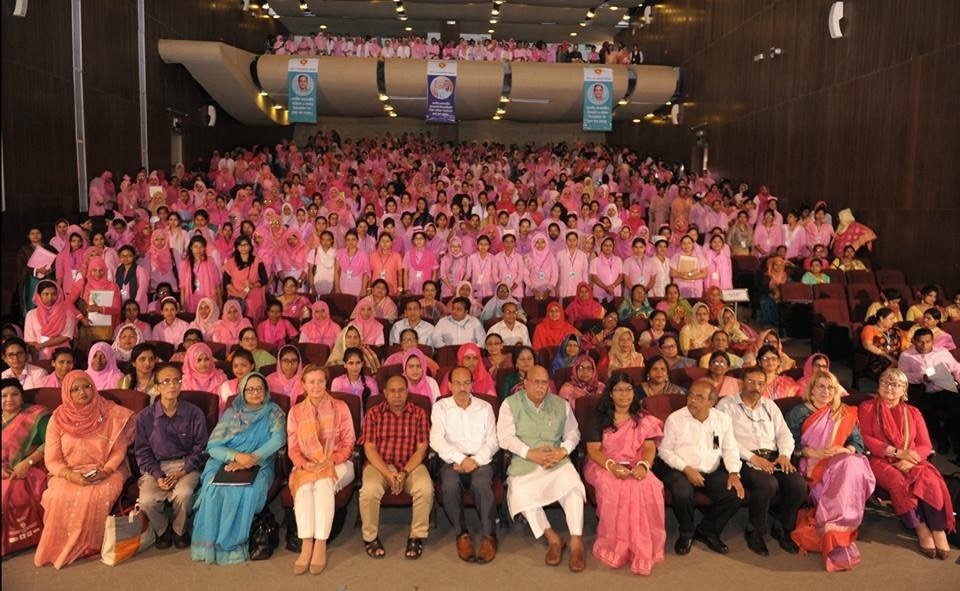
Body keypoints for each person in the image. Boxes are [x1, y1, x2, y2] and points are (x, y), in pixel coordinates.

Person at [34, 371, 135, 569]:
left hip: (108, 469)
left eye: (87, 386)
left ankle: (91, 544)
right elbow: (52, 460)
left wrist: (106, 470)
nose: (83, 392)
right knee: (57, 495)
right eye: (75, 389)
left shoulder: (111, 412)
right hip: (68, 471)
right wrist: (70, 475)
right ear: (67, 393)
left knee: (97, 494)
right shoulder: (57, 419)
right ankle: (63, 545)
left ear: (94, 387)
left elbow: (119, 450)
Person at [498, 365, 586, 572]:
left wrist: (563, 451)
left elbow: (574, 433)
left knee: (573, 485)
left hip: (556, 460)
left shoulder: (560, 404)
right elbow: (505, 437)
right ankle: (553, 538)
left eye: (544, 382)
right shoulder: (510, 404)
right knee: (519, 492)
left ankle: (576, 541)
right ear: (525, 383)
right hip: (526, 460)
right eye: (535, 382)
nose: (540, 386)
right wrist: (531, 453)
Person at [191, 372, 286, 564]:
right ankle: (211, 543)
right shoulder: (231, 414)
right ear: (242, 391)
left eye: (259, 388)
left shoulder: (274, 412)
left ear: (266, 390)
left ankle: (231, 545)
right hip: (225, 460)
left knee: (246, 490)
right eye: (250, 389)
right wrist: (236, 457)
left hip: (260, 462)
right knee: (214, 488)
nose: (255, 392)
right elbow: (213, 446)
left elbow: (278, 439)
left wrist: (253, 458)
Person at [860, 368, 954, 560]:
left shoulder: (913, 412)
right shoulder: (867, 407)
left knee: (930, 479)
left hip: (912, 459)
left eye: (896, 384)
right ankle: (920, 527)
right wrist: (895, 452)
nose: (889, 387)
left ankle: (938, 529)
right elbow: (866, 438)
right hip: (879, 459)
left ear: (905, 390)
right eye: (885, 382)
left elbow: (925, 444)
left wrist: (911, 458)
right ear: (878, 386)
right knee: (898, 482)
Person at [785, 370, 875, 572]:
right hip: (810, 465)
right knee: (848, 468)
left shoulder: (842, 412)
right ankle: (835, 535)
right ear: (812, 389)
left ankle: (837, 531)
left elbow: (857, 443)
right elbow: (787, 443)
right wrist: (812, 452)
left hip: (838, 462)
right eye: (821, 386)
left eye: (831, 387)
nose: (826, 391)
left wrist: (846, 449)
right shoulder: (799, 412)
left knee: (852, 462)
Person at [717, 367, 806, 556]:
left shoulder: (770, 405)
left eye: (760, 383)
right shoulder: (726, 405)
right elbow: (725, 439)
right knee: (767, 484)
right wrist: (753, 458)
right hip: (743, 459)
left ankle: (783, 528)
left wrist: (784, 455)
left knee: (798, 483)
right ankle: (755, 530)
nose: (756, 387)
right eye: (751, 382)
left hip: (773, 457)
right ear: (741, 383)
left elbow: (784, 434)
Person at [583, 372, 665, 575]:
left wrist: (644, 466)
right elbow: (593, 451)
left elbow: (648, 448)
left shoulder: (642, 417)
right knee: (615, 487)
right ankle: (616, 547)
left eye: (628, 389)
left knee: (650, 485)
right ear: (610, 393)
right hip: (602, 464)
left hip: (636, 463)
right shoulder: (599, 416)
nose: (624, 394)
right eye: (618, 389)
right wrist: (611, 466)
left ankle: (640, 544)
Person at [656, 379, 745, 555]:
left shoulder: (722, 420)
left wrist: (734, 472)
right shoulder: (676, 419)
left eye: (699, 397)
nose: (692, 400)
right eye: (690, 395)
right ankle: (686, 532)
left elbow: (730, 448)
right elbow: (664, 451)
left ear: (712, 402)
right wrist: (687, 469)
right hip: (680, 468)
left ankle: (708, 530)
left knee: (734, 494)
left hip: (711, 470)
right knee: (682, 492)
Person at [287, 364, 356, 574]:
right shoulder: (296, 412)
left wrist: (331, 460)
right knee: (305, 488)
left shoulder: (340, 406)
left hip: (339, 464)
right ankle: (306, 542)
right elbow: (293, 448)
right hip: (307, 464)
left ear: (326, 382)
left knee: (324, 483)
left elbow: (349, 442)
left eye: (320, 381)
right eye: (311, 382)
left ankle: (321, 543)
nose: (316, 386)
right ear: (304, 385)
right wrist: (303, 463)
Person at [134, 363, 208, 549]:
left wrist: (183, 472)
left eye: (177, 381)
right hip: (156, 468)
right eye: (166, 382)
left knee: (184, 494)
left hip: (186, 466)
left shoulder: (194, 413)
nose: (173, 385)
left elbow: (201, 448)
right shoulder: (144, 417)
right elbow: (142, 452)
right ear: (157, 387)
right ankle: (162, 530)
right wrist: (158, 476)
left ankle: (179, 530)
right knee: (147, 500)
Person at [430, 366, 500, 563]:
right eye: (458, 383)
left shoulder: (485, 407)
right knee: (450, 485)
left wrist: (474, 461)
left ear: (472, 384)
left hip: (482, 460)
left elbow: (493, 441)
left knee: (480, 484)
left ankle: (489, 536)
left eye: (466, 382)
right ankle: (462, 533)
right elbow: (436, 440)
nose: (462, 387)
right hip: (452, 461)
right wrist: (461, 459)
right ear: (449, 385)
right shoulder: (440, 407)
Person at [358, 374, 432, 560]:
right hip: (379, 465)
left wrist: (404, 472)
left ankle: (416, 536)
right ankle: (370, 537)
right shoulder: (374, 413)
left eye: (401, 390)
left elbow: (422, 448)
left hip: (411, 465)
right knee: (369, 490)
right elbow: (369, 448)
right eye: (392, 391)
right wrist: (388, 474)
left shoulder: (418, 414)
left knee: (425, 488)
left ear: (407, 392)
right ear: (385, 393)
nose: (397, 395)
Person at [1, 378, 51, 557]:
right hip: (4, 470)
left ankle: (14, 540)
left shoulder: (37, 415)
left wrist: (27, 462)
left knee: (7, 494)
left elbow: (51, 442)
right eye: (4, 396)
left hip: (32, 467)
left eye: (14, 394)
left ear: (22, 397)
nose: (9, 399)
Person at [897, 328, 960, 456]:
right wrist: (922, 377)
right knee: (926, 415)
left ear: (932, 341)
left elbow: (956, 368)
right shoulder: (906, 355)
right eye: (920, 342)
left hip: (946, 389)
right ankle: (941, 440)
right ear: (914, 341)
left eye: (928, 342)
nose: (924, 345)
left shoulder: (942, 352)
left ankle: (957, 446)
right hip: (924, 391)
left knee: (956, 413)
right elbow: (902, 375)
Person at [23, 280, 76, 360]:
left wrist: (42, 345)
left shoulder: (68, 314)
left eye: (54, 294)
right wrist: (38, 353)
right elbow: (30, 339)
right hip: (38, 355)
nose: (50, 298)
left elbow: (66, 336)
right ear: (39, 295)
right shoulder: (31, 315)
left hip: (62, 356)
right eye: (46, 294)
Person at [861, 307, 908, 379]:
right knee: (892, 364)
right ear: (881, 318)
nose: (893, 321)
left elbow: (907, 339)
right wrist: (886, 355)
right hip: (879, 358)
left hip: (896, 356)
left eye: (894, 318)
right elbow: (867, 345)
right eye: (891, 319)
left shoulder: (894, 330)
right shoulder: (869, 328)